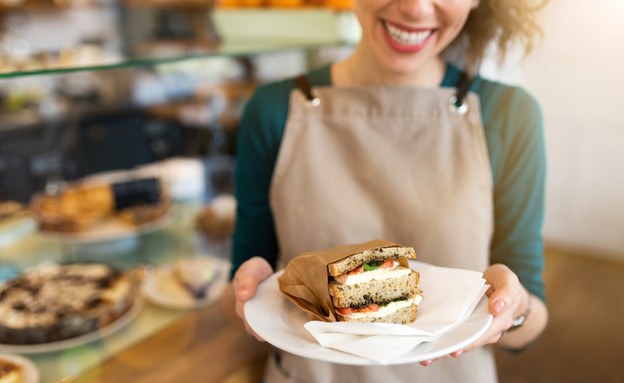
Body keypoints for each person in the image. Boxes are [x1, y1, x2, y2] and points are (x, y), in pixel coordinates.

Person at [221, 0, 550, 381]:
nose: (414, 8)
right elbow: (235, 306)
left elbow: (532, 322)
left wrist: (515, 305)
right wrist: (247, 291)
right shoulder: (273, 110)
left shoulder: (510, 114)